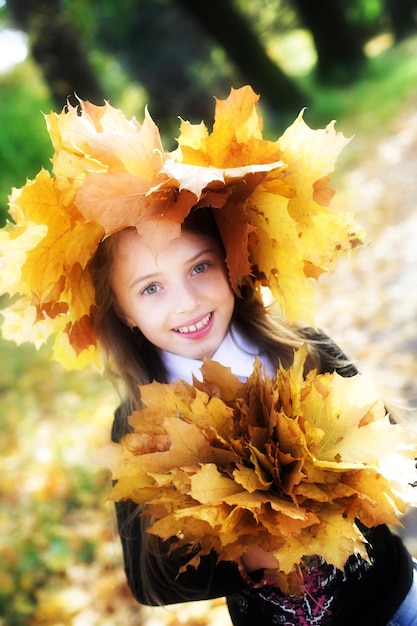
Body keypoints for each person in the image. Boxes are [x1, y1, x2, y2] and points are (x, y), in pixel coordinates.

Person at [1, 86, 416, 625]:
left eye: (199, 268)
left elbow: (391, 454)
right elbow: (148, 582)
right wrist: (241, 553)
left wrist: (345, 489)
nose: (187, 301)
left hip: (393, 600)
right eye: (151, 288)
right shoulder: (139, 427)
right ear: (124, 312)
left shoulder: (302, 351)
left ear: (229, 263)